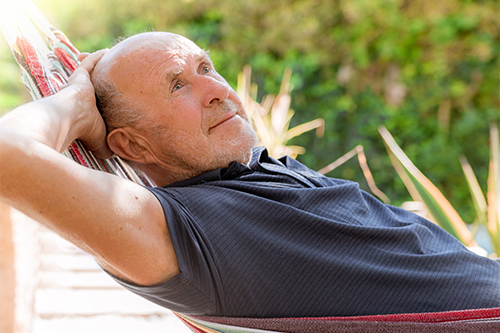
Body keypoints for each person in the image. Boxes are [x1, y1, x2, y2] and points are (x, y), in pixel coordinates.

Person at [0, 32, 499, 318]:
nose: (217, 90)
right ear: (131, 145)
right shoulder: (190, 233)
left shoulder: (255, 176)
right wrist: (71, 104)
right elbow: (8, 154)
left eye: (206, 66)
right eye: (178, 86)